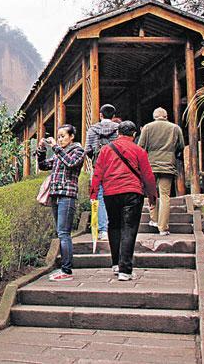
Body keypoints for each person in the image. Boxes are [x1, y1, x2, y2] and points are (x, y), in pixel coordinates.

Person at [90, 121, 157, 281]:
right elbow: (148, 175)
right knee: (129, 229)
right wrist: (152, 196)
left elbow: (97, 173)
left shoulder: (106, 149)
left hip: (110, 193)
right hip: (132, 192)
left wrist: (93, 194)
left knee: (113, 226)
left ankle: (115, 264)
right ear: (134, 134)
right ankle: (125, 270)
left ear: (118, 133)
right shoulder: (139, 150)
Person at [38, 124, 86, 281]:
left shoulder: (78, 151)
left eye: (63, 136)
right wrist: (42, 150)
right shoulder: (60, 152)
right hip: (55, 194)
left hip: (67, 195)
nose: (60, 139)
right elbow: (44, 166)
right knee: (60, 232)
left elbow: (71, 163)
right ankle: (65, 269)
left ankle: (66, 270)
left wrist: (56, 148)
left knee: (64, 233)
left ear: (72, 137)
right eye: (58, 136)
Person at [138, 107, 185, 236]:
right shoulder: (175, 128)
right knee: (165, 195)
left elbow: (140, 147)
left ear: (154, 116)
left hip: (150, 165)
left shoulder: (147, 128)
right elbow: (181, 146)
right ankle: (163, 228)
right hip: (168, 165)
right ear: (166, 116)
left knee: (151, 193)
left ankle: (154, 219)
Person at [84, 104, 120, 241]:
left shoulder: (92, 129)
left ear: (100, 115)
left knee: (99, 196)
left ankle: (103, 230)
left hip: (98, 166)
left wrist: (95, 159)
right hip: (115, 167)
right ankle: (114, 227)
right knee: (114, 195)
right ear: (113, 116)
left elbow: (88, 149)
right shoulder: (118, 129)